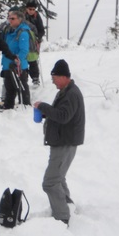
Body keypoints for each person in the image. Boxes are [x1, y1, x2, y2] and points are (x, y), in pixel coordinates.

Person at [33, 59, 85, 225]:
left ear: (63, 76)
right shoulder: (66, 91)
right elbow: (61, 114)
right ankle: (68, 206)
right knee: (58, 178)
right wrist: (46, 114)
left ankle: (62, 217)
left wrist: (43, 107)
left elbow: (63, 116)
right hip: (62, 142)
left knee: (50, 182)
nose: (53, 81)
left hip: (65, 143)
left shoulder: (71, 94)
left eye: (54, 77)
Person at [0, 8, 31, 109]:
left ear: (20, 19)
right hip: (8, 65)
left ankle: (26, 106)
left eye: (12, 18)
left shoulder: (23, 33)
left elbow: (24, 50)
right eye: (9, 18)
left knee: (21, 86)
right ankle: (8, 106)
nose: (10, 20)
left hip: (18, 66)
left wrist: (16, 61)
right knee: (9, 88)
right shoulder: (9, 31)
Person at [25, 0, 46, 86]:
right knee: (24, 59)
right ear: (26, 9)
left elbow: (41, 30)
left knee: (33, 59)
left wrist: (38, 37)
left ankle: (35, 78)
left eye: (33, 9)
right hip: (24, 40)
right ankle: (24, 76)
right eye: (30, 9)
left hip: (34, 41)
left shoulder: (37, 17)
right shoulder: (22, 16)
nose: (32, 11)